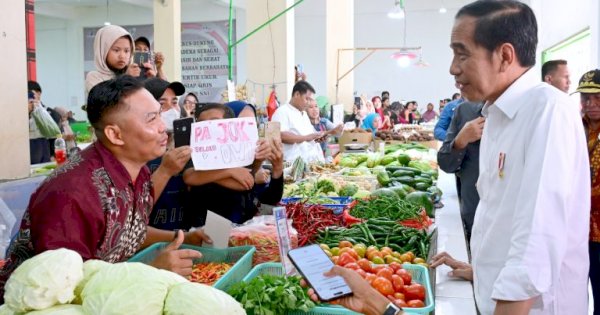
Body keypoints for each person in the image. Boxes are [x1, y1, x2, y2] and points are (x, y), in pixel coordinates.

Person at [0, 76, 212, 301]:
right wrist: (150, 270)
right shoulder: (71, 194)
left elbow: (126, 231)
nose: (163, 128)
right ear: (115, 134)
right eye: (151, 119)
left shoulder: (137, 169)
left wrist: (184, 238)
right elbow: (61, 289)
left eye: (160, 114)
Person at [445, 1, 588, 314]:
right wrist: (482, 271)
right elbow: (499, 213)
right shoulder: (495, 115)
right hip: (498, 296)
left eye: (462, 53)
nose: (454, 68)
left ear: (504, 56)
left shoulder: (547, 111)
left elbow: (534, 246)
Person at [183, 102, 283, 225]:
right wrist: (230, 172)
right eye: (201, 123)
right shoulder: (194, 154)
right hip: (209, 231)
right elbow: (189, 176)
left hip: (242, 232)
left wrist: (274, 166)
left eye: (214, 122)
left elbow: (264, 196)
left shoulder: (243, 158)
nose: (207, 128)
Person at [143, 78, 193, 231]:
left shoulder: (187, 145)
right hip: (150, 244)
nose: (171, 109)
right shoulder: (139, 153)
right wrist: (165, 170)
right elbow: (134, 211)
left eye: (174, 102)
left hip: (185, 234)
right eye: (162, 104)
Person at [437, 101, 483, 244]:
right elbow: (445, 163)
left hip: (512, 225)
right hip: (473, 215)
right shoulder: (464, 111)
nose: (458, 82)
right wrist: (460, 140)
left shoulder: (526, 110)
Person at [576, 69, 600, 315]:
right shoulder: (575, 127)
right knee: (578, 291)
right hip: (578, 229)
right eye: (586, 98)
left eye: (597, 98)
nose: (591, 104)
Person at [85, 25, 154, 93]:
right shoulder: (94, 77)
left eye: (126, 51)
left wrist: (151, 81)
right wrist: (126, 78)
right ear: (103, 51)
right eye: (116, 50)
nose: (122, 56)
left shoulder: (132, 73)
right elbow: (104, 100)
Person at [271, 81, 324, 162]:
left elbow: (310, 135)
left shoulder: (304, 114)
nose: (308, 103)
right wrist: (305, 138)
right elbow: (278, 135)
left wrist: (317, 137)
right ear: (297, 95)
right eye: (307, 99)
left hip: (308, 161)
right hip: (290, 164)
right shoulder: (281, 112)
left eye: (310, 100)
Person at [27, 92, 52, 164]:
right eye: (30, 102)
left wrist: (39, 109)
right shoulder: (21, 117)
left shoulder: (38, 112)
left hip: (43, 142)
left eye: (33, 102)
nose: (32, 104)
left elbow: (49, 126)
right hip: (32, 144)